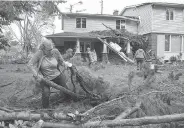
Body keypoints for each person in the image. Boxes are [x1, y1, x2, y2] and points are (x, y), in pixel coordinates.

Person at [28, 38, 72, 108]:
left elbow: (61, 61)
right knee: (46, 93)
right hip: (45, 78)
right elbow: (30, 64)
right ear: (43, 49)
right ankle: (46, 110)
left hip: (58, 75)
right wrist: (37, 75)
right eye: (49, 50)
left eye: (52, 49)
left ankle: (69, 102)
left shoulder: (55, 52)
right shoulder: (39, 54)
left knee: (66, 89)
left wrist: (65, 64)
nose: (51, 51)